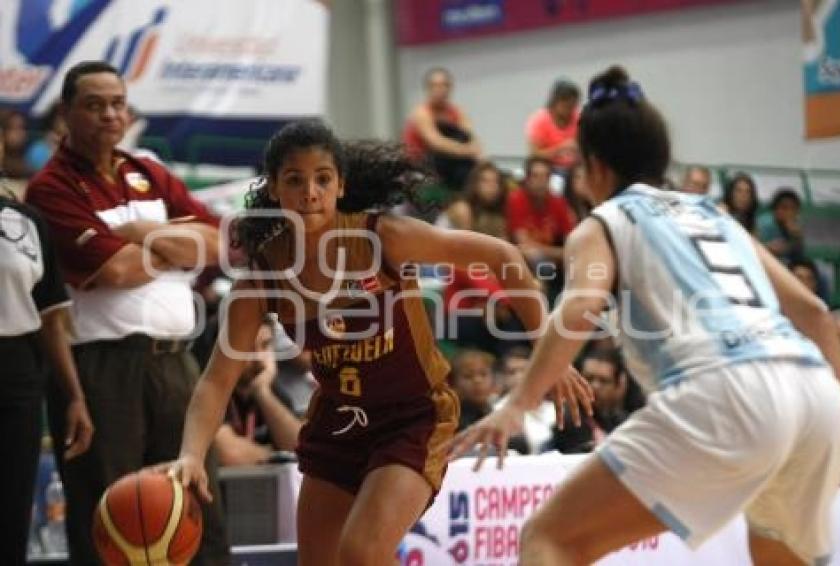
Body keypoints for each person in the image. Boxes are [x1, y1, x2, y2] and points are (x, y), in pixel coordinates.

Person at [451, 66, 840, 565]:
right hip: (813, 393)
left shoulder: (605, 221)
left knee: (550, 540)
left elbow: (579, 305)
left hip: (722, 390)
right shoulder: (714, 213)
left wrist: (518, 404)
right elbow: (814, 312)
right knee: (776, 555)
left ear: (593, 167)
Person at [160, 120, 589, 566]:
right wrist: (190, 454)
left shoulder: (382, 238)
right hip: (338, 423)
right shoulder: (262, 281)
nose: (310, 192)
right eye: (294, 180)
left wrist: (549, 353)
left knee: (362, 554)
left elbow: (502, 256)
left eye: (322, 179)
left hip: (413, 416)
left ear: (340, 185)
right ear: (273, 190)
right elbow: (215, 382)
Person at [24, 61, 229, 565]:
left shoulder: (148, 171)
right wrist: (166, 245)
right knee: (109, 507)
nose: (109, 115)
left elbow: (216, 242)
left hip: (175, 361)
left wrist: (140, 235)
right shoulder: (51, 188)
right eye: (94, 105)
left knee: (198, 497)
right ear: (65, 114)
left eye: (117, 103)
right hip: (102, 367)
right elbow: (113, 271)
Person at [0, 123, 93, 565]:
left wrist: (74, 396)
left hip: (16, 373)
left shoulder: (27, 221)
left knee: (11, 509)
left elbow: (52, 318)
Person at [215, 317, 303, 466]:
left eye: (265, 345)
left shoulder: (271, 389)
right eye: (248, 348)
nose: (259, 358)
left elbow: (298, 446)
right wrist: (277, 456)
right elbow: (228, 453)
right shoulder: (215, 391)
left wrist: (263, 393)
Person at [506, 156, 577, 303]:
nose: (541, 181)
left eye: (545, 176)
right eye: (536, 176)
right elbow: (524, 247)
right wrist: (558, 253)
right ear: (527, 179)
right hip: (522, 262)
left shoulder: (558, 202)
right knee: (538, 260)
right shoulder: (516, 199)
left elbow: (572, 245)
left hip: (553, 263)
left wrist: (562, 253)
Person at [402, 67, 480, 191]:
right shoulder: (421, 113)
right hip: (422, 171)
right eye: (435, 85)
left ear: (450, 88)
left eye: (444, 85)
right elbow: (436, 143)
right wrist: (467, 150)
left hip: (452, 169)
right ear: (428, 89)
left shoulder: (457, 111)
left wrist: (477, 154)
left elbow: (471, 136)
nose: (440, 90)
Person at [526, 79, 581, 175]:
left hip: (575, 168)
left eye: (573, 105)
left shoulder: (578, 117)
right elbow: (533, 155)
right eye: (565, 105)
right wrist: (560, 149)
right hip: (549, 169)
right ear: (554, 102)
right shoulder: (539, 120)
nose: (569, 110)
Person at [442, 160, 509, 239]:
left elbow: (502, 242)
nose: (492, 186)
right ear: (475, 184)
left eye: (496, 182)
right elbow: (468, 245)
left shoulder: (495, 213)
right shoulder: (463, 208)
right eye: (485, 181)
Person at [758, 188, 805, 263]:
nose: (789, 213)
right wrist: (767, 247)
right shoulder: (764, 223)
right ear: (775, 210)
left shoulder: (798, 224)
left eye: (793, 208)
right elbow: (754, 249)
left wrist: (797, 237)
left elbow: (799, 255)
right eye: (784, 208)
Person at [25, 102, 67, 172]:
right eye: (62, 117)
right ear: (53, 120)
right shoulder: (38, 149)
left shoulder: (79, 147)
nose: (66, 121)